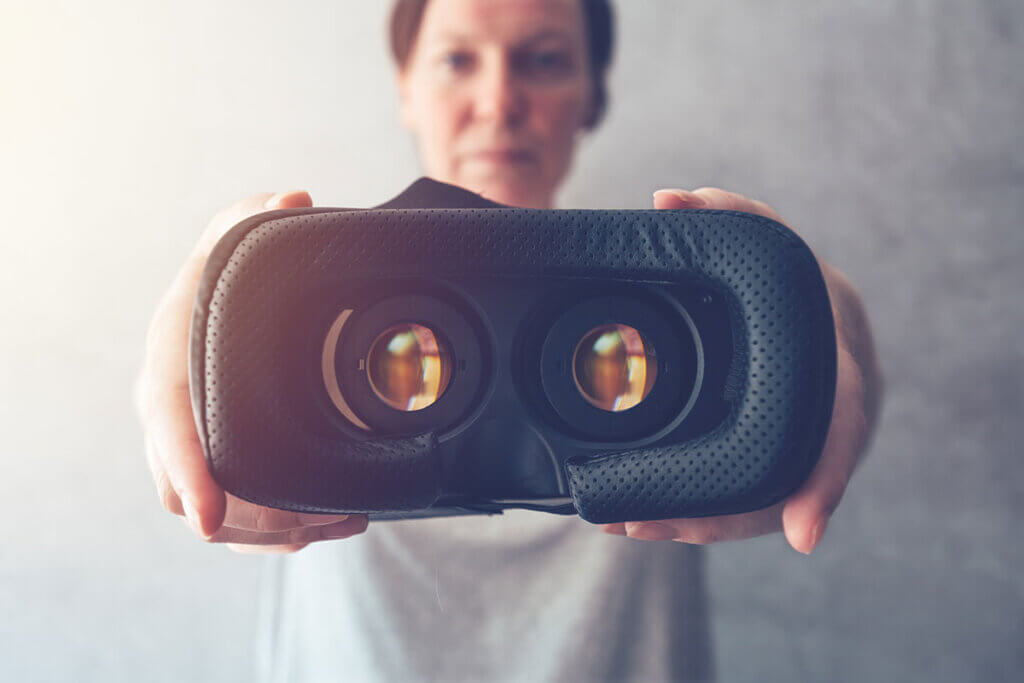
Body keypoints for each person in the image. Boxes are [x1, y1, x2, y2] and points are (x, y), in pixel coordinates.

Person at [134, 0, 883, 680]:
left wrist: (824, 315)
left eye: (544, 59)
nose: (498, 102)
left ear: (592, 96)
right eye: (459, 60)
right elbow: (220, 458)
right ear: (405, 86)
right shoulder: (297, 311)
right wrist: (206, 335)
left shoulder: (697, 313)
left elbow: (838, 391)